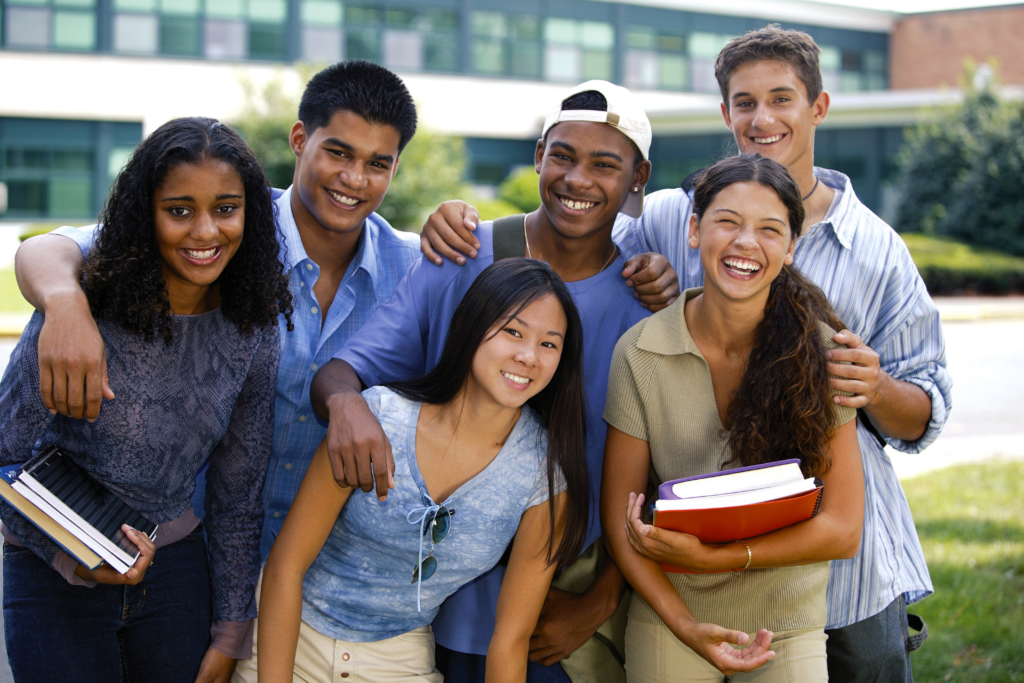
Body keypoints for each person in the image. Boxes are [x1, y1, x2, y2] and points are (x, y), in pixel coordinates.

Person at [420, 26, 951, 682]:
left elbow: (927, 409)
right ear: (725, 115)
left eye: (781, 98)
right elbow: (578, 216)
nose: (763, 118)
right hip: (680, 559)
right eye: (745, 102)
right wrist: (465, 220)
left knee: (868, 665)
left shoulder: (875, 250)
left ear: (818, 107)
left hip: (840, 566)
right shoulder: (674, 215)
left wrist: (876, 387)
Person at [310, 80, 767, 683]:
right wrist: (344, 404)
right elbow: (345, 371)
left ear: (638, 178)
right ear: (538, 158)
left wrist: (602, 597)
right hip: (450, 608)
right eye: (563, 156)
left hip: (576, 602)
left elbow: (669, 476)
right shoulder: (465, 253)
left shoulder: (647, 307)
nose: (578, 179)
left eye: (605, 164)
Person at [12, 60, 422, 553]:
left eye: (378, 163)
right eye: (338, 152)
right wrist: (65, 306)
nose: (355, 179)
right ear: (299, 139)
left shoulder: (415, 272)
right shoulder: (223, 222)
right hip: (190, 554)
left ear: (397, 167)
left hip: (320, 568)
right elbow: (52, 248)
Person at [0, 117, 292, 682]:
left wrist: (233, 627)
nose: (205, 231)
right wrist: (73, 555)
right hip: (51, 571)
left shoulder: (252, 328)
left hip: (175, 575)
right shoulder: (80, 312)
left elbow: (237, 492)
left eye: (226, 208)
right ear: (145, 212)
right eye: (179, 210)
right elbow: (1, 452)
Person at [235, 259, 589, 683]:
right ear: (472, 327)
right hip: (288, 635)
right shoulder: (379, 418)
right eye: (513, 331)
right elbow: (285, 567)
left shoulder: (544, 473)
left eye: (550, 344)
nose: (528, 356)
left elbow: (510, 639)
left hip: (397, 657)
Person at [603, 154, 864, 682]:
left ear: (791, 248)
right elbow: (619, 519)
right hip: (672, 613)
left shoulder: (823, 352)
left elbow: (842, 530)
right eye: (728, 221)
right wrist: (683, 623)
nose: (746, 243)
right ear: (695, 230)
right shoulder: (640, 352)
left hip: (786, 620)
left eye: (770, 230)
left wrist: (719, 558)